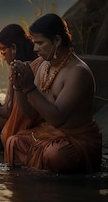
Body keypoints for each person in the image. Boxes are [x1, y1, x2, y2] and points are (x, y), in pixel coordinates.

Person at [7, 13, 102, 173]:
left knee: (55, 154)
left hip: (74, 139)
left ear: (57, 41)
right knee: (14, 142)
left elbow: (57, 118)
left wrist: (29, 86)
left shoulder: (77, 72)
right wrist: (18, 86)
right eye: (34, 43)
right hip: (48, 133)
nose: (35, 49)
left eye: (40, 43)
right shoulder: (44, 67)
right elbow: (30, 112)